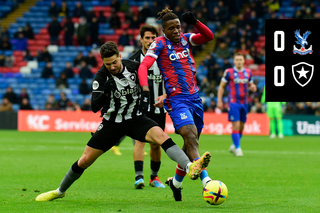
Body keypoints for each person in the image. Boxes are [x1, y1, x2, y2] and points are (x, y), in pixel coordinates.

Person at [35, 41, 211, 202]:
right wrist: (105, 93)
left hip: (135, 119)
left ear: (120, 57)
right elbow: (94, 107)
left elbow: (154, 83)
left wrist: (158, 96)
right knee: (84, 161)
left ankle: (189, 167)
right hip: (112, 123)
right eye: (107, 64)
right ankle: (60, 191)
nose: (112, 67)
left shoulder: (134, 68)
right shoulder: (101, 77)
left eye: (114, 62)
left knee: (161, 136)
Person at [137, 8, 214, 201]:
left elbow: (208, 36)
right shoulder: (159, 44)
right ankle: (207, 182)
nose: (177, 31)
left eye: (178, 27)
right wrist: (145, 88)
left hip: (194, 98)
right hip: (176, 99)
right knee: (189, 135)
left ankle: (176, 183)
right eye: (172, 28)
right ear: (163, 30)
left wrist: (196, 21)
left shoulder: (187, 39)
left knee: (191, 144)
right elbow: (143, 66)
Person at [111, 24, 167, 189]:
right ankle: (139, 177)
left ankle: (154, 177)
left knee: (156, 144)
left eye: (153, 38)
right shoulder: (134, 60)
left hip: (159, 108)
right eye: (147, 38)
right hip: (140, 108)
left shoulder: (163, 58)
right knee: (139, 142)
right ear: (141, 39)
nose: (150, 41)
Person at [217, 53, 257, 157]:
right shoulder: (229, 72)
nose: (239, 61)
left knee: (242, 126)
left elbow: (251, 83)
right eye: (237, 59)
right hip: (233, 102)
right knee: (236, 125)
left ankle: (234, 145)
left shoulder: (248, 72)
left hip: (244, 103)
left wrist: (252, 86)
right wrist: (219, 100)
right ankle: (238, 148)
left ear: (244, 61)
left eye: (240, 59)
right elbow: (221, 87)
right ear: (234, 61)